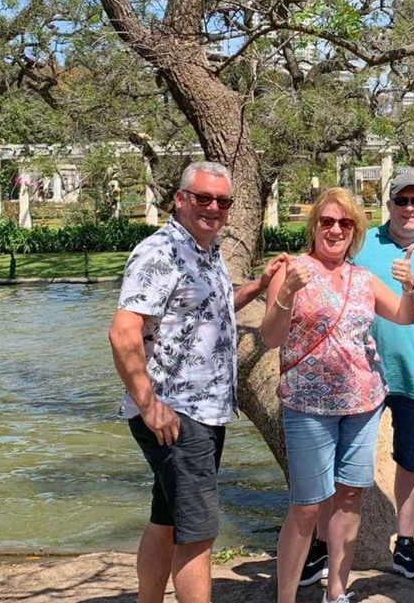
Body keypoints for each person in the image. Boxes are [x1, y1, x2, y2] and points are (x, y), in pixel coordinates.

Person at [297, 167, 414, 585]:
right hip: (357, 374)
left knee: (412, 460)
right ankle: (323, 545)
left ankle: (405, 542)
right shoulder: (363, 245)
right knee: (335, 465)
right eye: (402, 200)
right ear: (390, 204)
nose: (410, 208)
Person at [109, 161, 278, 603]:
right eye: (203, 197)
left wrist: (260, 284)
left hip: (201, 411)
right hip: (176, 413)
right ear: (180, 199)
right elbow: (123, 331)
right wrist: (150, 405)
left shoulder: (206, 250)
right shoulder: (159, 253)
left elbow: (212, 309)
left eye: (222, 201)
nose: (214, 207)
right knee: (198, 535)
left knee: (166, 520)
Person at [260, 187, 414, 603]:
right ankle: (286, 598)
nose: (335, 230)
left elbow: (404, 317)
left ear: (355, 231)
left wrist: (410, 289)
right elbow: (271, 336)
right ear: (314, 225)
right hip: (307, 406)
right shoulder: (292, 271)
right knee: (307, 505)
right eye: (327, 222)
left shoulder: (362, 277)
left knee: (350, 494)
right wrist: (284, 294)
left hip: (362, 403)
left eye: (345, 223)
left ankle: (337, 591)